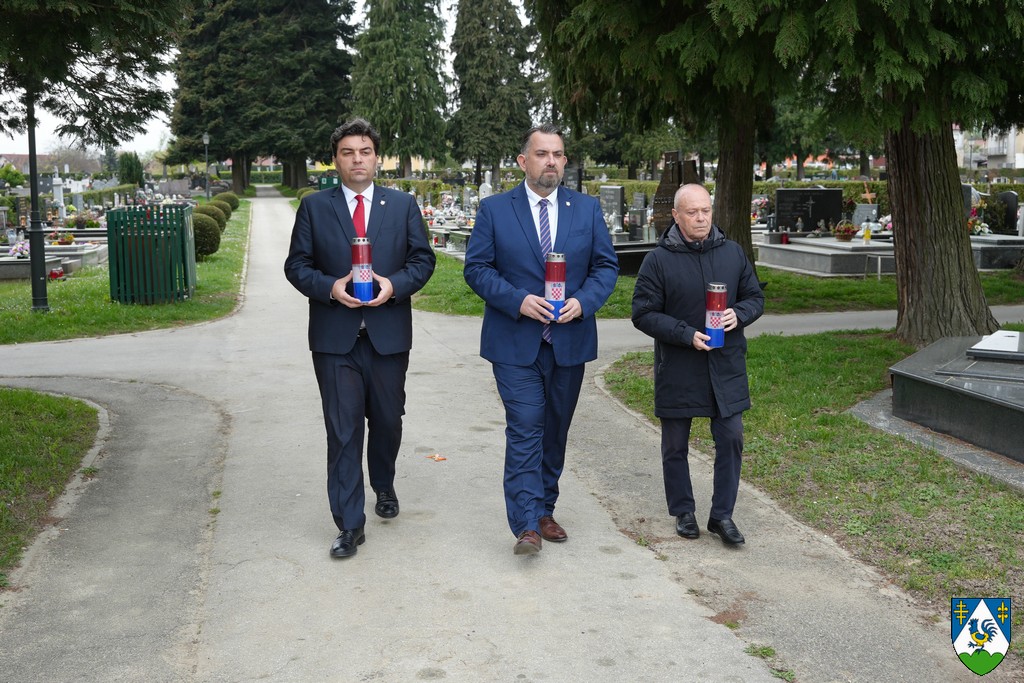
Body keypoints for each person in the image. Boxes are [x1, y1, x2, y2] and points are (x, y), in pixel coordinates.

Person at [464, 123, 618, 555]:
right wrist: (518, 300)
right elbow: (477, 268)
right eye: (542, 153)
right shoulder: (495, 210)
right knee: (526, 425)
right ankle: (527, 524)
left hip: (569, 340)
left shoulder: (585, 209)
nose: (551, 161)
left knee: (555, 430)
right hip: (515, 342)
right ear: (523, 161)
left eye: (558, 154)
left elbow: (606, 267)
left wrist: (583, 303)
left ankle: (546, 508)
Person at [284, 118, 436, 559]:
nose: (357, 159)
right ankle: (350, 524)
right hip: (335, 339)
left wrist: (395, 285)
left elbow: (423, 261)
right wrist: (330, 287)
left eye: (365, 152)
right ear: (335, 160)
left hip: (388, 334)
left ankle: (383, 482)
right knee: (343, 429)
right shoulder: (315, 207)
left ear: (377, 158)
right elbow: (297, 266)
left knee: (387, 420)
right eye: (347, 152)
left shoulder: (401, 205)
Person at [631, 184, 764, 546]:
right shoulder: (658, 260)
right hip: (679, 365)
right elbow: (642, 313)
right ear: (676, 216)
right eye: (692, 212)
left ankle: (722, 516)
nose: (701, 218)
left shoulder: (732, 253)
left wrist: (740, 313)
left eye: (706, 210)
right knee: (675, 444)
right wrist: (685, 334)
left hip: (726, 365)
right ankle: (683, 511)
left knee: (732, 438)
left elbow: (755, 297)